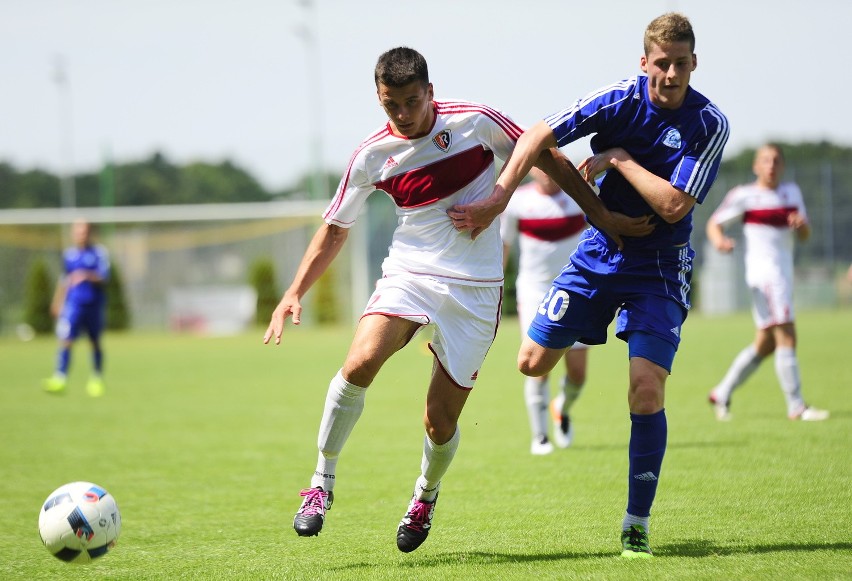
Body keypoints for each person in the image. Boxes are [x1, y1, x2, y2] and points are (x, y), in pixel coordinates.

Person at [263, 47, 650, 553]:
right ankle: (320, 483)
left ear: (430, 91)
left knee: (439, 420)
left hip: (476, 288)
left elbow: (545, 156)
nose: (402, 115)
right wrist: (294, 291)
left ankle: (425, 494)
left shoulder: (474, 122)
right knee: (358, 363)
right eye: (389, 105)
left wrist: (600, 214)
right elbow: (335, 228)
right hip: (409, 273)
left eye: (409, 101)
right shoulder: (372, 156)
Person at [448, 13, 729, 558]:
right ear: (643, 61)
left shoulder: (709, 123)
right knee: (530, 363)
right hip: (600, 254)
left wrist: (620, 159)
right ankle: (566, 388)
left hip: (660, 264)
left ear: (694, 63)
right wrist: (500, 197)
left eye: (680, 64)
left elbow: (673, 204)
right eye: (661, 63)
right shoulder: (617, 100)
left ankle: (636, 523)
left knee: (646, 388)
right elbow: (536, 137)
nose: (670, 74)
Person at [706, 144, 829, 422]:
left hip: (782, 274)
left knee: (766, 343)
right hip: (765, 276)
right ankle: (796, 406)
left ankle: (721, 392)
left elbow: (806, 235)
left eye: (776, 161)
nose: (771, 165)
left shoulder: (792, 193)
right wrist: (720, 242)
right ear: (756, 167)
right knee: (787, 333)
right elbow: (714, 224)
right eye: (765, 161)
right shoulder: (744, 195)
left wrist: (802, 226)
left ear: (782, 166)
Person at [500, 167, 590, 455]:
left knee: (577, 373)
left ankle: (562, 407)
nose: (548, 172)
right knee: (537, 365)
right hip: (534, 293)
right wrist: (494, 288)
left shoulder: (579, 195)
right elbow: (503, 245)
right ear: (532, 169)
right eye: (541, 163)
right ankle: (540, 437)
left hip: (577, 291)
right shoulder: (517, 202)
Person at [43, 219, 110, 397]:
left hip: (93, 304)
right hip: (73, 304)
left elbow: (105, 277)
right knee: (66, 339)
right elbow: (64, 280)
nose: (82, 234)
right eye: (78, 231)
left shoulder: (98, 253)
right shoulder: (69, 255)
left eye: (85, 231)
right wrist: (57, 301)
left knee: (94, 342)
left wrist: (87, 275)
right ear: (74, 233)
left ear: (90, 233)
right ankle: (60, 378)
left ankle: (96, 378)